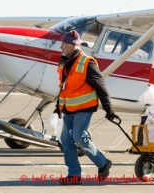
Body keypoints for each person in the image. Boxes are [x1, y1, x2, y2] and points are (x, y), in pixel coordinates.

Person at [54, 30, 118, 185]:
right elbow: (64, 86)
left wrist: (108, 109)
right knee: (65, 140)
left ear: (72, 45)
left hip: (84, 107)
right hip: (68, 107)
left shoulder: (87, 62)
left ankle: (103, 162)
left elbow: (101, 86)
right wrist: (58, 105)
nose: (61, 46)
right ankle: (74, 175)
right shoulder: (65, 62)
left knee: (78, 137)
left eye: (63, 44)